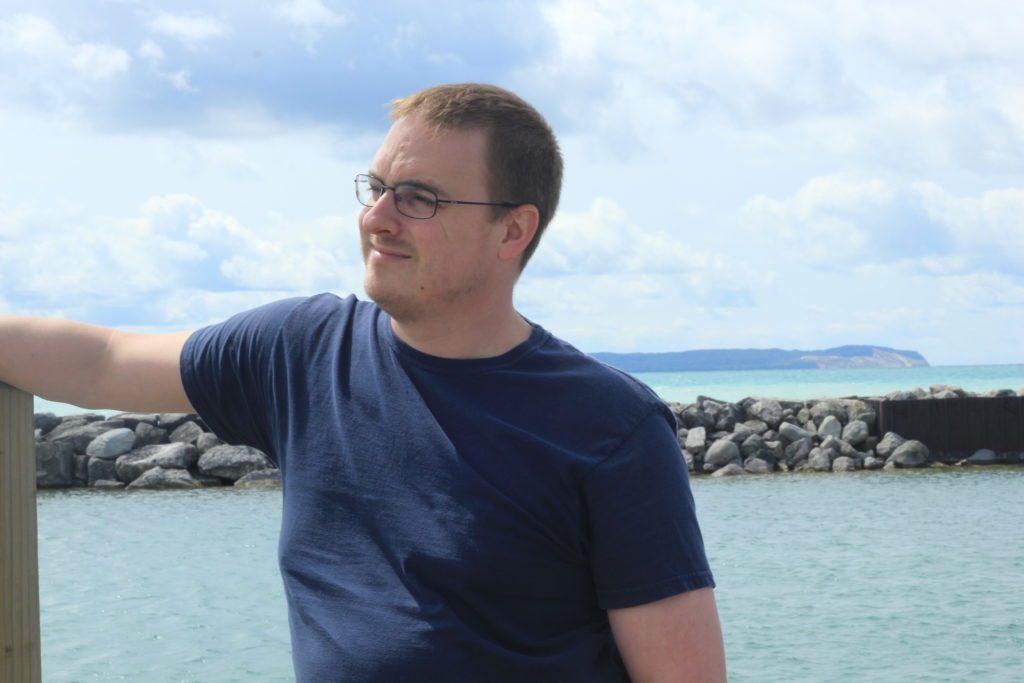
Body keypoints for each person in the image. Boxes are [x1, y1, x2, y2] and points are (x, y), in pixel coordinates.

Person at [0, 83, 725, 681]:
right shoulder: (303, 350)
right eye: (376, 188)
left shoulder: (609, 426)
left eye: (418, 197)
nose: (376, 218)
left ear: (513, 230)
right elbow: (103, 360)